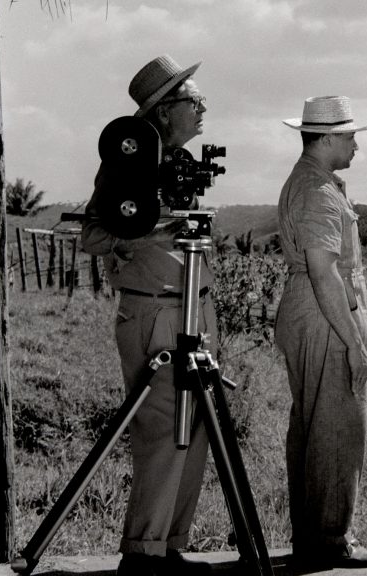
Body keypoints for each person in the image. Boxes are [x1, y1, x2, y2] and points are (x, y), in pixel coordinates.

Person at [80, 54, 218, 576]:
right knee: (163, 432)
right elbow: (95, 235)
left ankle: (170, 547)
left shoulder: (178, 164)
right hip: (154, 315)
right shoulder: (127, 163)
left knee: (196, 430)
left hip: (191, 310)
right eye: (193, 100)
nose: (202, 108)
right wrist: (151, 225)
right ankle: (143, 556)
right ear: (163, 113)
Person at [274, 95, 367, 568]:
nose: (357, 145)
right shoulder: (317, 191)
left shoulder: (319, 183)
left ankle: (315, 535)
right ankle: (331, 539)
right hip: (324, 314)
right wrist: (355, 345)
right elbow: (325, 273)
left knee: (316, 425)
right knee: (337, 428)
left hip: (314, 312)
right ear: (328, 138)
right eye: (351, 136)